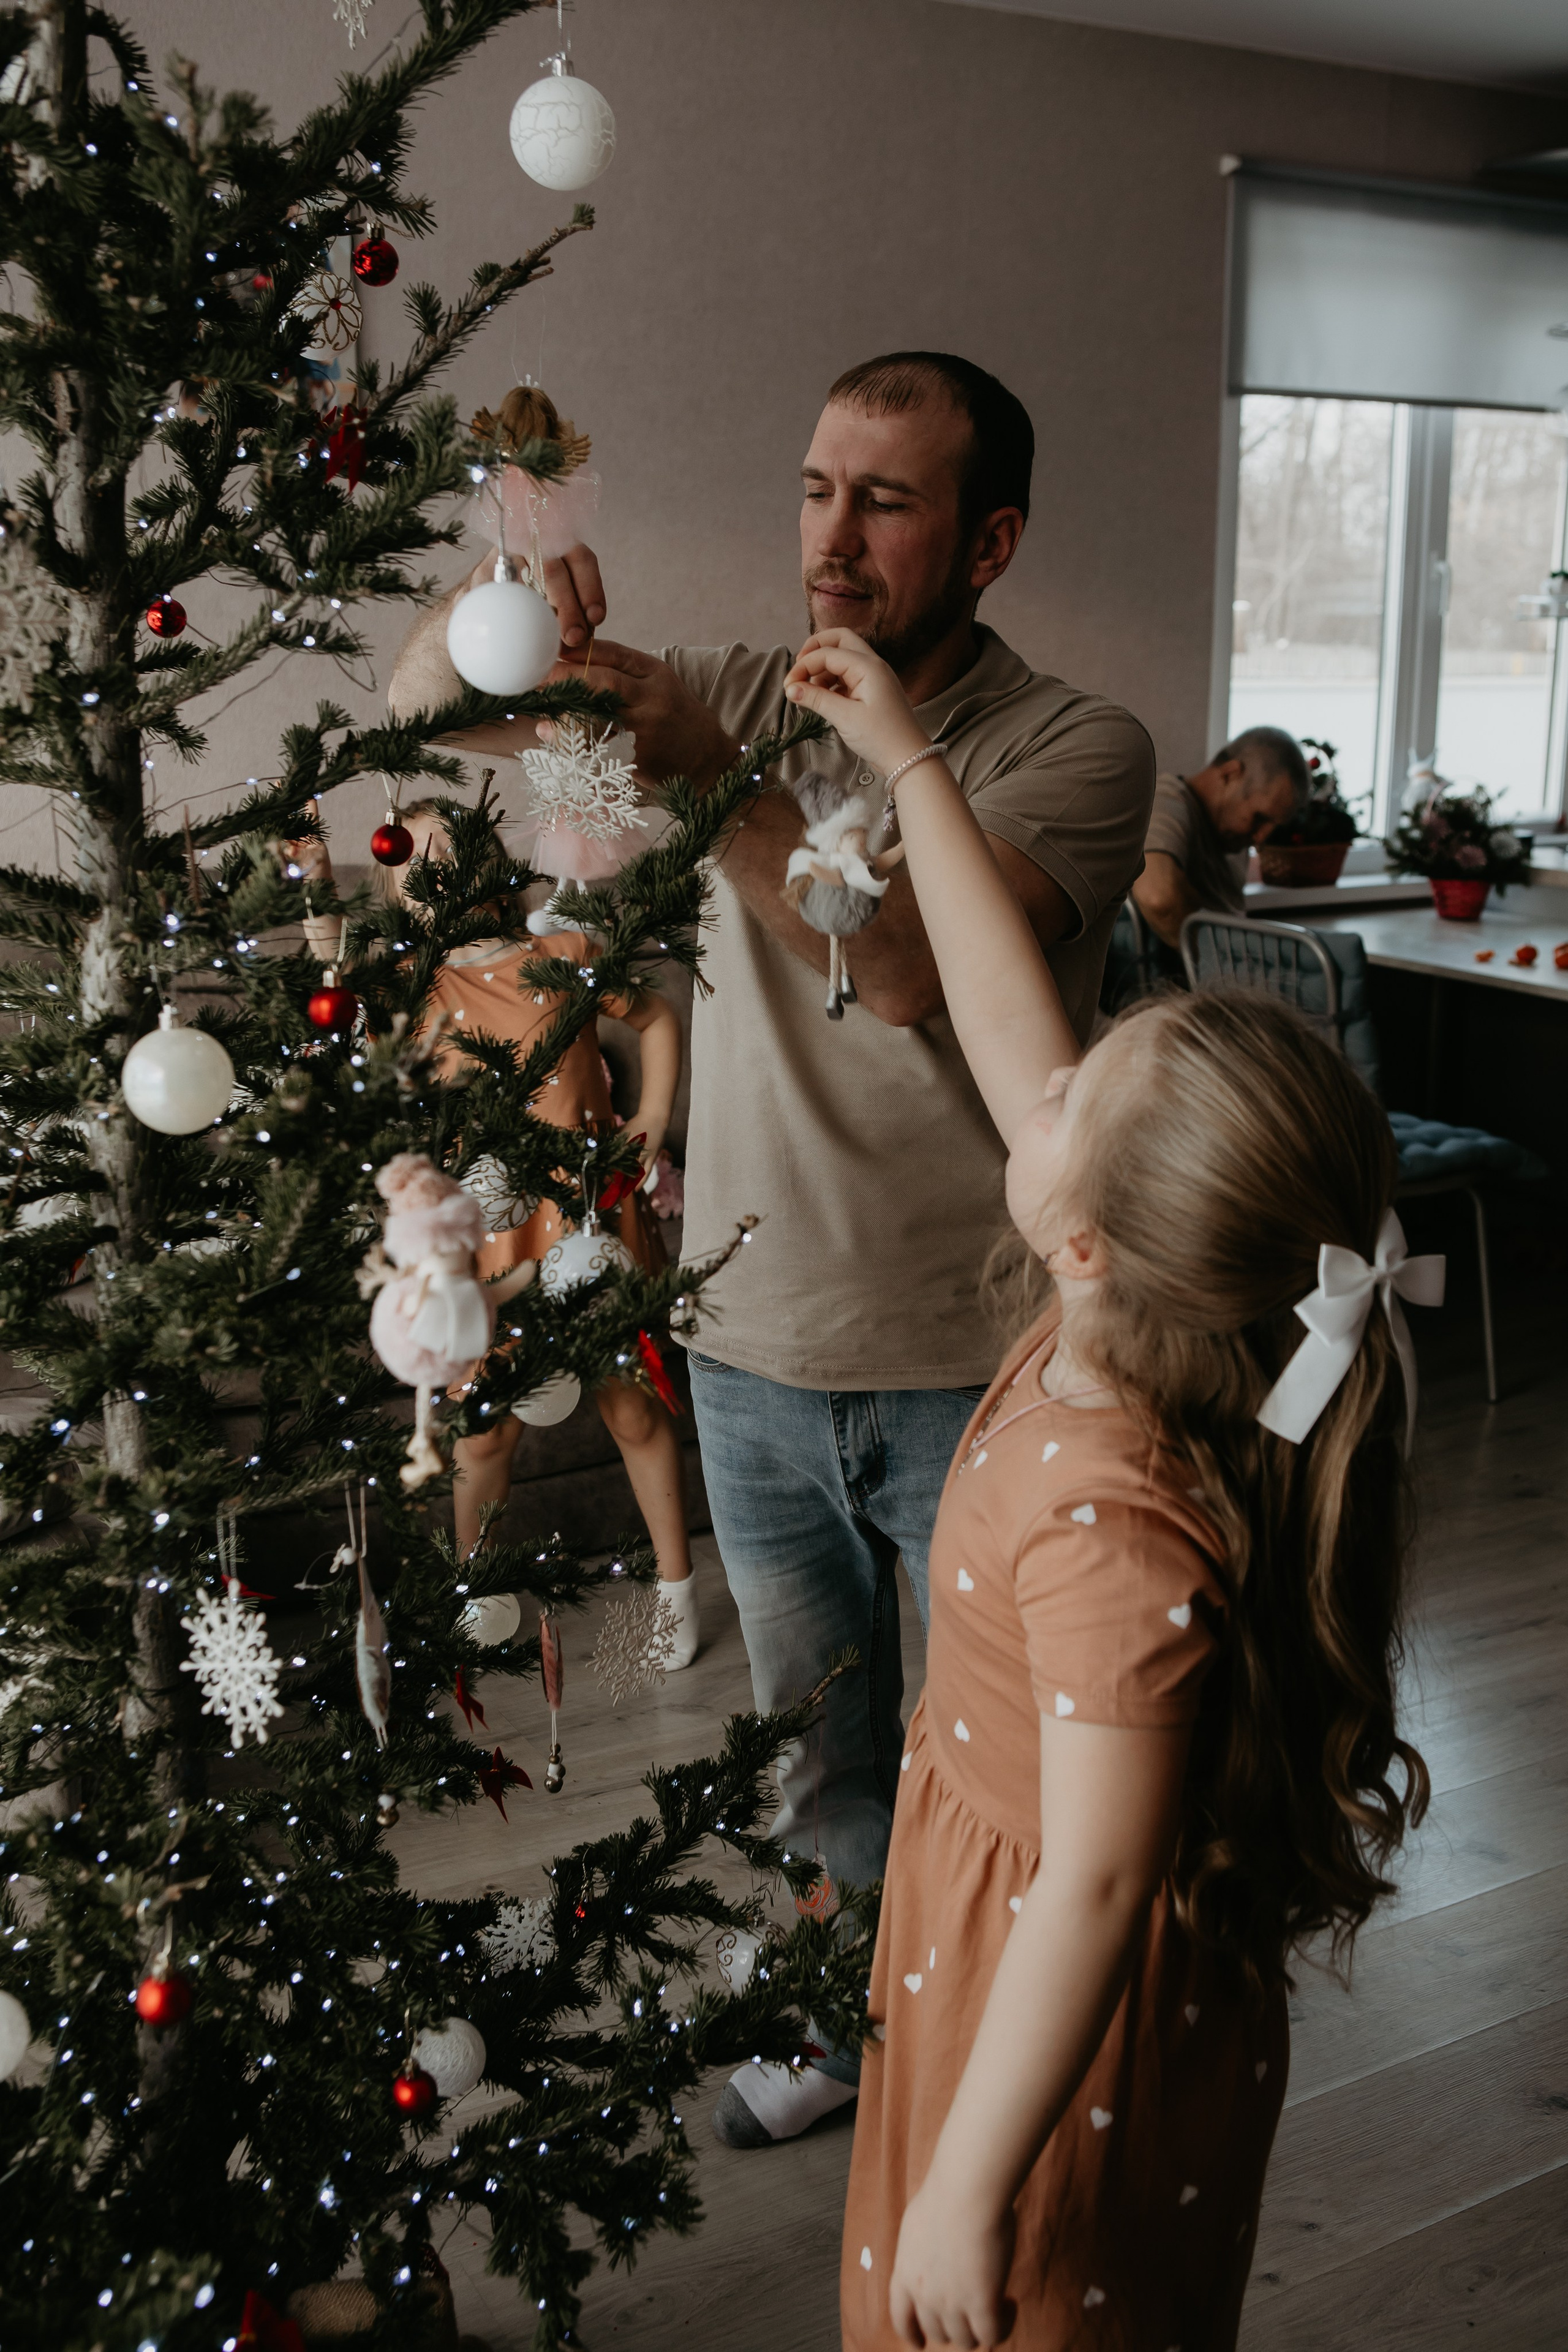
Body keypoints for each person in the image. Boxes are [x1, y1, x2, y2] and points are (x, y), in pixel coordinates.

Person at [388, 353, 1156, 2141]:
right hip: (750, 1347)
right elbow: (429, 719)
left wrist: (719, 772)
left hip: (982, 1346)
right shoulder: (746, 688)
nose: (832, 533)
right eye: (817, 486)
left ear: (991, 540)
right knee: (818, 1740)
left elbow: (898, 972)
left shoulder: (1069, 748)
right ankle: (835, 2021)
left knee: (1013, 1748)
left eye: (884, 500)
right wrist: (493, 609)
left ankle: (1012, 2062)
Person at [780, 625, 1436, 2351]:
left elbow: (1092, 1886)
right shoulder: (1125, 1312)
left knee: (1048, 2309)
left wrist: (971, 2181)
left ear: (1077, 1236)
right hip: (1001, 1937)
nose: (1043, 1078)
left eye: (1071, 1096)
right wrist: (913, 759)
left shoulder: (1106, 1507)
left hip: (1062, 2016)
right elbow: (1007, 1010)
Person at [298, 801, 700, 1665]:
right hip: (482, 1245)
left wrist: (655, 1118)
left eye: (455, 847)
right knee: (484, 1435)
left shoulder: (564, 956)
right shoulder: (408, 991)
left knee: (633, 1411)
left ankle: (678, 1591)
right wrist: (317, 891)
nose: (438, 867)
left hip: (589, 1222)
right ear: (397, 887)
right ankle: (476, 1594)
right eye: (416, 855)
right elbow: (327, 1009)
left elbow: (659, 1016)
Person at [1131, 724, 1308, 948]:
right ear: (1230, 773)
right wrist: (1225, 967)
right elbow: (1157, 896)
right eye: (1260, 818)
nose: (1261, 838)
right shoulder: (1167, 803)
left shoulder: (1233, 836)